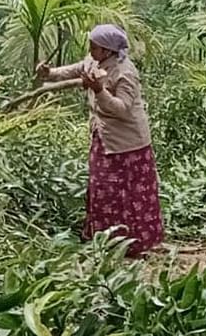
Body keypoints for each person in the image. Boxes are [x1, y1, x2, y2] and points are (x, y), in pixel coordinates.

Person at [36, 24, 163, 257]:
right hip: (104, 138)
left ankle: (133, 243)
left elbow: (122, 109)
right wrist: (50, 73)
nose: (90, 49)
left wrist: (99, 91)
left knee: (130, 193)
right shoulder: (93, 61)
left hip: (128, 144)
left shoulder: (125, 73)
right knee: (103, 189)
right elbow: (74, 70)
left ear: (107, 51)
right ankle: (105, 239)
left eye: (93, 46)